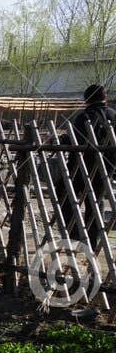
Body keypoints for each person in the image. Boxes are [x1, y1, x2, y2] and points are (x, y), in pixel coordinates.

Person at [67, 83, 116, 248]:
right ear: (105, 97)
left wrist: (58, 141)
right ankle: (92, 241)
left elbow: (73, 140)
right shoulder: (113, 115)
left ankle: (73, 234)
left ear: (86, 99)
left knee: (64, 194)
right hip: (106, 168)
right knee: (96, 202)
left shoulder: (83, 117)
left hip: (80, 167)